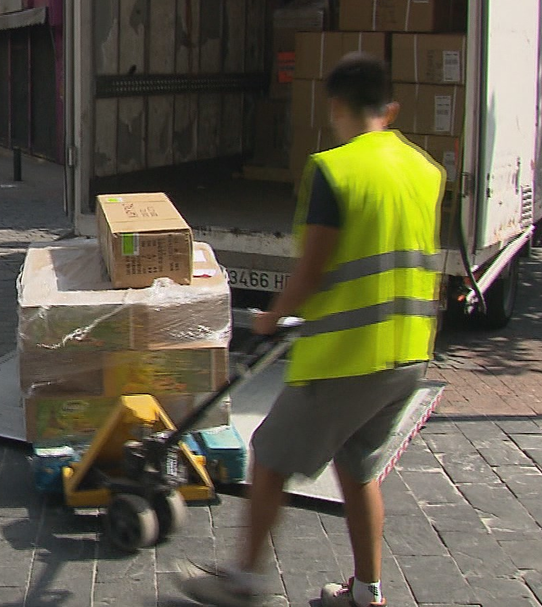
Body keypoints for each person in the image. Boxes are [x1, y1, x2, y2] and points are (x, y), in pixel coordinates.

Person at [177, 54, 444, 607]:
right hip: (409, 354)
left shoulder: (335, 169)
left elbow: (313, 267)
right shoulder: (425, 169)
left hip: (348, 356)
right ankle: (367, 592)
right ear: (389, 109)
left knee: (270, 457)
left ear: (337, 107)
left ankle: (243, 580)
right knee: (358, 465)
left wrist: (270, 318)